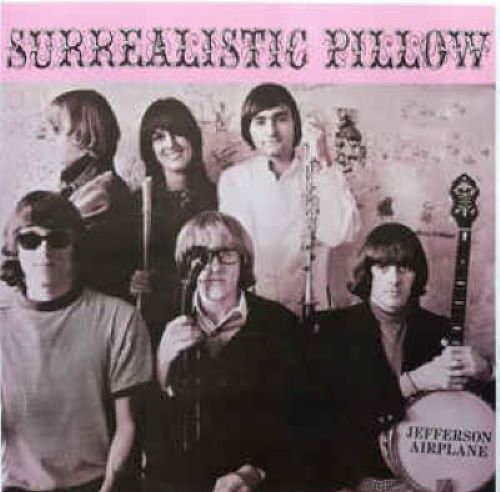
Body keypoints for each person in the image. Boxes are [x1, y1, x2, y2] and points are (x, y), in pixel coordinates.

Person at [303, 222, 494, 492]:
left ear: (416, 275)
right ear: (368, 273)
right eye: (383, 268)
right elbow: (327, 421)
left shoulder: (440, 330)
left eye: (404, 268)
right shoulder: (330, 330)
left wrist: (488, 371)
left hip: (427, 475)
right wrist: (414, 382)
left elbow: (475, 420)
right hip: (356, 476)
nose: (394, 280)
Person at [0, 191, 152, 492]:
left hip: (98, 486)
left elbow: (129, 424)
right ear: (15, 249)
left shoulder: (118, 319)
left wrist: (107, 490)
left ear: (75, 247)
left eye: (57, 239)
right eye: (30, 240)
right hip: (17, 490)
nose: (44, 251)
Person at [144, 211, 302, 492]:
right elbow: (146, 430)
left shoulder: (280, 325)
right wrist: (162, 365)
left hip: (256, 485)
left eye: (226, 254)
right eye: (200, 256)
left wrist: (253, 473)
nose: (214, 266)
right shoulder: (158, 323)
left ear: (243, 262)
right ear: (185, 266)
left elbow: (296, 420)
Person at [218, 83, 360, 315]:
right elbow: (235, 252)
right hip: (255, 312)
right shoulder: (234, 180)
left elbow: (338, 234)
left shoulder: (320, 173)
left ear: (296, 124)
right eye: (260, 121)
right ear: (248, 129)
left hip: (310, 310)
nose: (271, 131)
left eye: (281, 118)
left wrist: (323, 161)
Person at [130, 98, 217, 345]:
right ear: (150, 148)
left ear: (193, 138)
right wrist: (131, 280)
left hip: (205, 323)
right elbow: (119, 265)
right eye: (159, 137)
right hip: (153, 328)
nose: (170, 144)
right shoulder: (136, 204)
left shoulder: (219, 198)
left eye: (178, 133)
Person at [42, 89, 136, 300]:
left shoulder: (102, 193)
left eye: (56, 130)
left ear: (84, 137)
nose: (48, 138)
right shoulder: (78, 185)